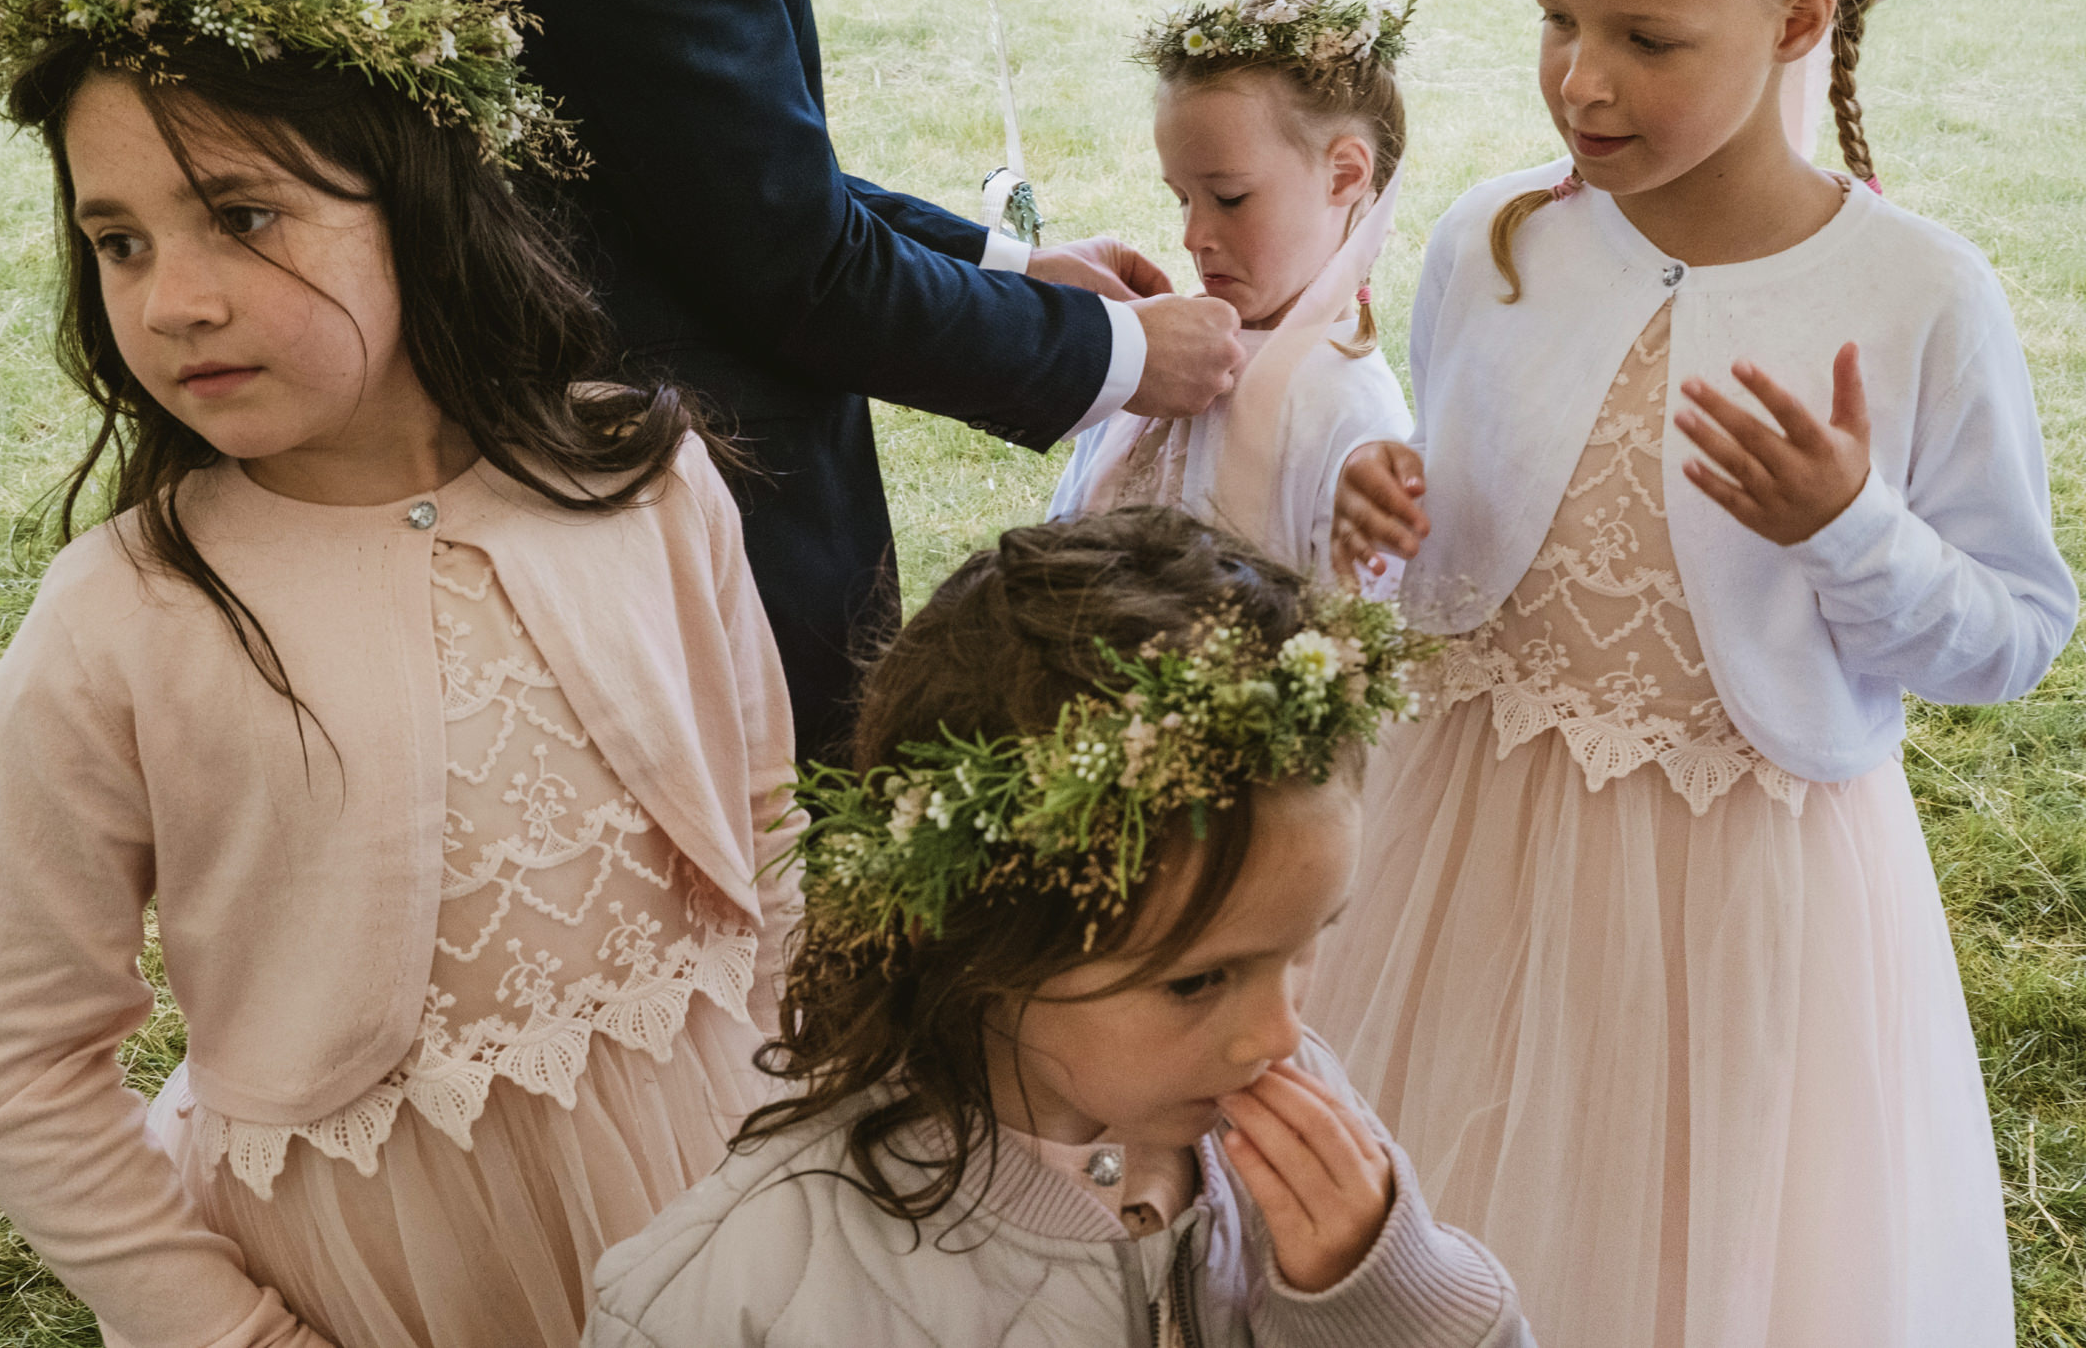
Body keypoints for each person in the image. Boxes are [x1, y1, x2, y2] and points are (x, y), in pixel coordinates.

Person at [0, 0, 803, 1348]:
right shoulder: (120, 618)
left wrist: (807, 1118)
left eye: (244, 213)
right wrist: (232, 1331)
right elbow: (17, 1066)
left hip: (713, 1176)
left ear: (420, 201)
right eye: (119, 241)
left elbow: (766, 825)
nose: (174, 299)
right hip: (379, 1273)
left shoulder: (639, 480)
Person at [1319, 0, 2077, 1344]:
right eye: (1557, 17)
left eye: (1648, 38)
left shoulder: (1920, 296)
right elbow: (1461, 551)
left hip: (1742, 890)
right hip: (1466, 841)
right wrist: (1374, 508)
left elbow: (2012, 636)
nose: (1581, 80)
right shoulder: (1496, 245)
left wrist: (1852, 531)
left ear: (1801, 18)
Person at [297, 0, 1248, 764]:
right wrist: (1116, 352)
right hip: (665, 480)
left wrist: (1007, 261)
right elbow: (778, 254)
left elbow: (694, 150)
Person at [583, 507, 1535, 1348]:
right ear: (976, 937)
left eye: (1305, 943)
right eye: (1197, 979)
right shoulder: (745, 1295)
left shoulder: (1295, 1121)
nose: (1281, 1034)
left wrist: (1381, 1295)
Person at [1051, 0, 1417, 581]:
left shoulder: (1349, 416)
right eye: (1182, 199)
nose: (1194, 236)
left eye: (1230, 197)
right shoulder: (1160, 357)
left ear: (1344, 175)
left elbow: (1350, 634)